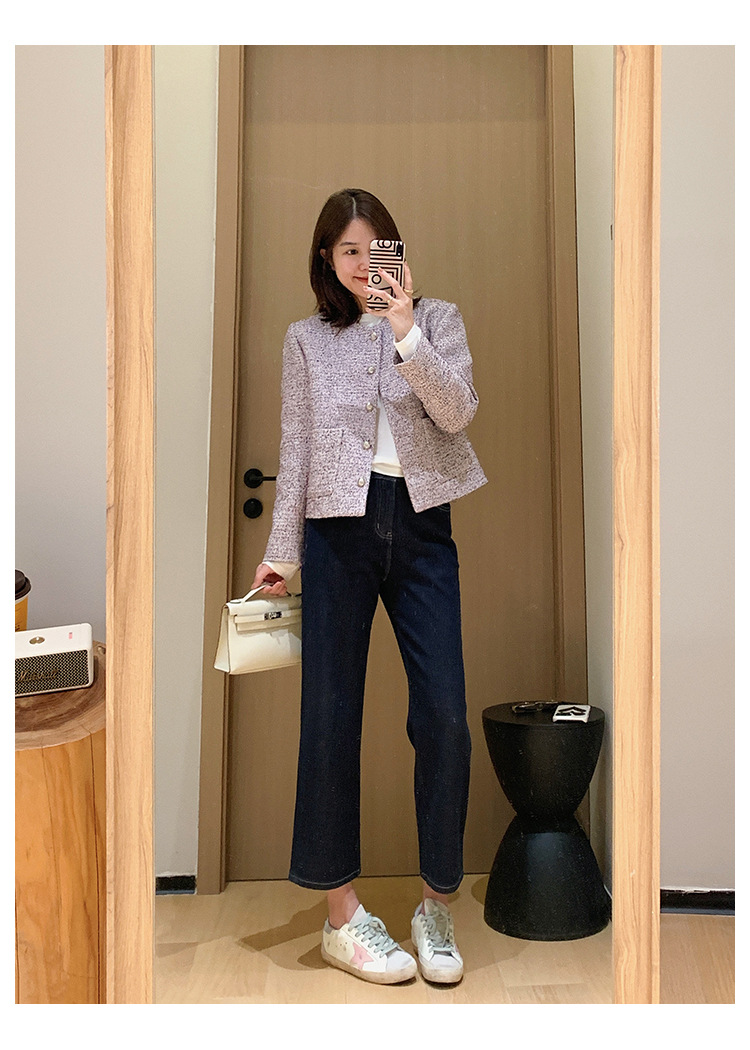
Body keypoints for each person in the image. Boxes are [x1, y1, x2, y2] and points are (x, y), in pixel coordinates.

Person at [252, 188, 487, 985]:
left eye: (375, 247)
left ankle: (436, 905)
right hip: (336, 532)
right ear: (327, 258)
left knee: (444, 719)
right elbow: (296, 446)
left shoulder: (437, 320)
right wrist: (282, 554)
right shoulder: (306, 338)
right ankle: (342, 918)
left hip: (421, 528)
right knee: (329, 718)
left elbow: (457, 414)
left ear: (396, 251)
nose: (362, 264)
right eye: (347, 250)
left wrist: (404, 326)